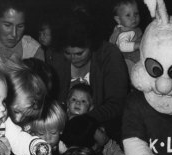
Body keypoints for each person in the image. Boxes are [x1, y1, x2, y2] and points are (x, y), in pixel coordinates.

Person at [51, 11, 129, 141]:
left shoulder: (109, 55)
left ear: (91, 45)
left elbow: (117, 103)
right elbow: (52, 100)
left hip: (104, 129)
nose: (73, 59)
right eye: (67, 53)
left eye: (79, 53)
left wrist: (83, 121)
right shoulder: (58, 57)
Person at [108, 0, 143, 72]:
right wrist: (139, 44)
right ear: (118, 20)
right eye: (128, 15)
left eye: (136, 13)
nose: (133, 18)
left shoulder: (132, 29)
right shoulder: (124, 32)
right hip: (128, 61)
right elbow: (123, 46)